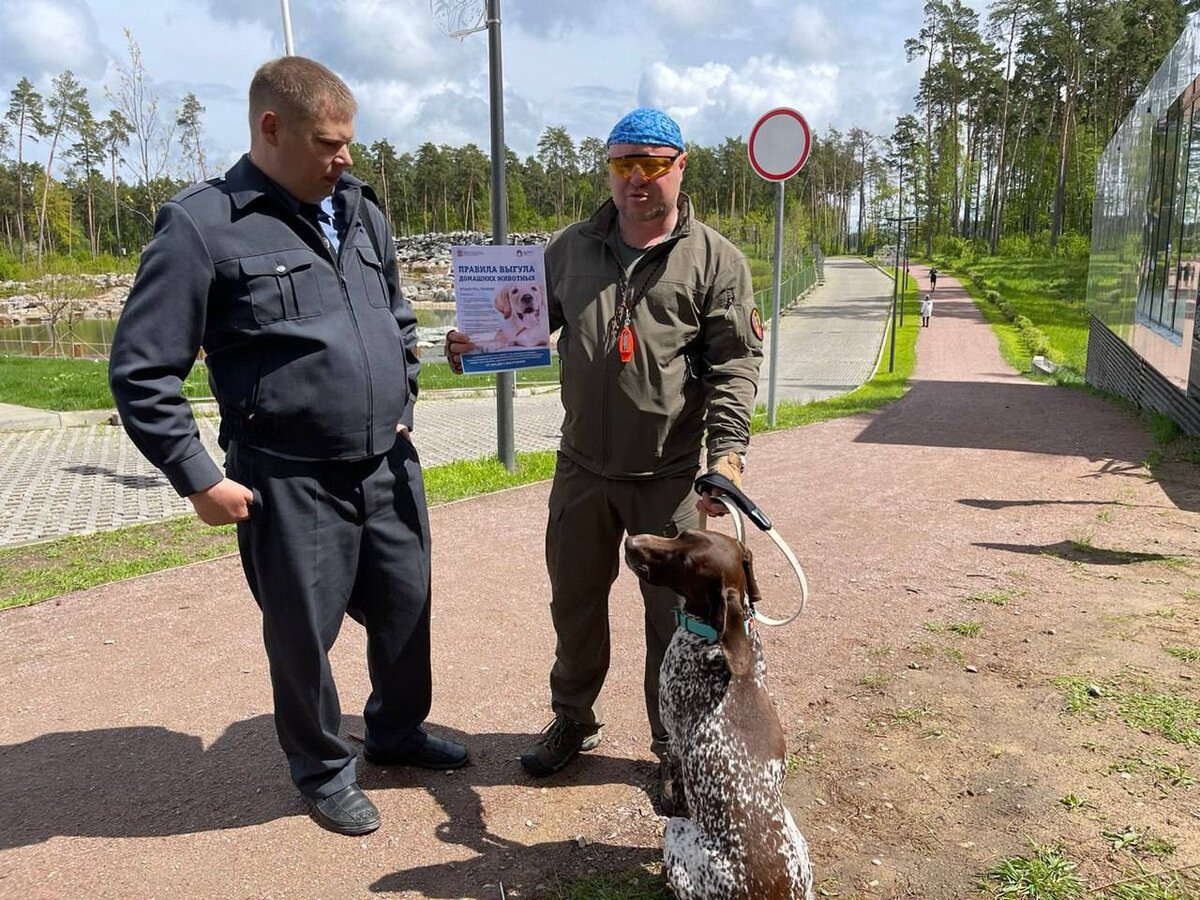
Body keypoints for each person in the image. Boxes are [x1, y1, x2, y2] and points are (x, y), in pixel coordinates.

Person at [108, 56, 467, 837]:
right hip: (289, 478)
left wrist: (404, 396)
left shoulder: (362, 208)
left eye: (348, 142)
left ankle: (396, 734)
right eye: (327, 142)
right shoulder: (203, 226)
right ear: (271, 129)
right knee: (303, 636)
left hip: (385, 462)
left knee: (408, 611)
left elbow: (398, 318)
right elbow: (141, 371)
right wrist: (198, 476)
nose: (345, 158)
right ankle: (323, 769)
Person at [445, 108, 762, 811]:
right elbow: (520, 326)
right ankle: (573, 720)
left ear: (681, 166)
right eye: (623, 164)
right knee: (575, 603)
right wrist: (476, 345)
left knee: (675, 626)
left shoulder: (715, 260)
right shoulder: (570, 250)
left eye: (652, 163)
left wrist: (727, 460)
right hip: (582, 469)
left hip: (671, 480)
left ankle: (671, 746)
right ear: (609, 170)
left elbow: (735, 368)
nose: (637, 178)